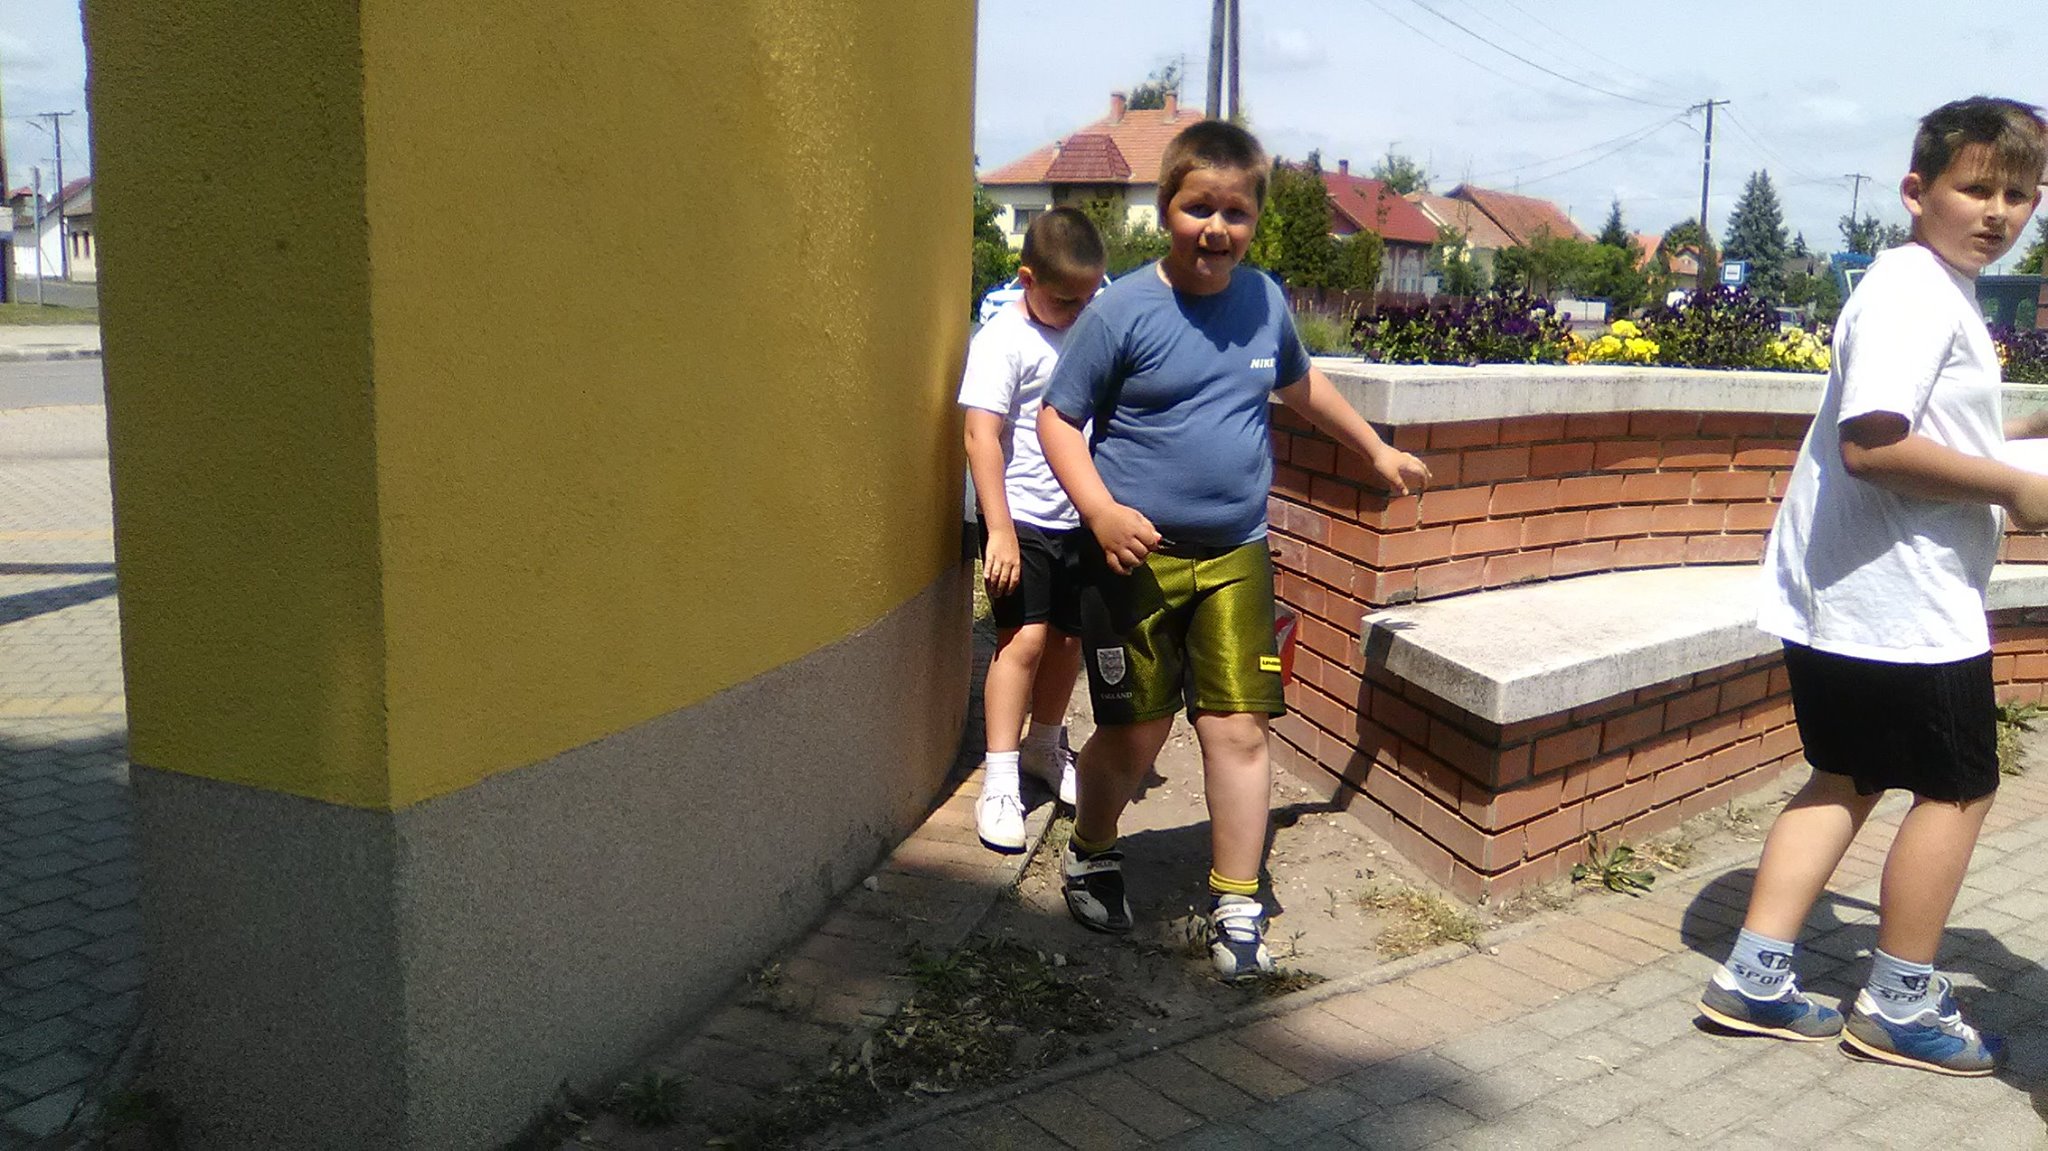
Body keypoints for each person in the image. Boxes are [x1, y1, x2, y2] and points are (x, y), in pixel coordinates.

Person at [1698, 96, 2048, 1075]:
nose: (1998, 212)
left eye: (2020, 194)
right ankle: (1899, 1000)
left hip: (1840, 595)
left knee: (1846, 774)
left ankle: (1754, 974)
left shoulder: (1921, 284)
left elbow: (1923, 423)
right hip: (1900, 605)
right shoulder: (1915, 294)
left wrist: (2022, 434)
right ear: (1915, 190)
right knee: (1959, 788)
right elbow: (1874, 444)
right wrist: (2019, 488)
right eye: (1975, 188)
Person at [1037, 120, 1428, 979]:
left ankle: (1238, 901)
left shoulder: (1265, 301)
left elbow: (1301, 381)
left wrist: (1375, 449)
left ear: (1254, 220)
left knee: (1239, 729)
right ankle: (1091, 851)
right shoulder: (1121, 310)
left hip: (1236, 554)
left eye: (1235, 213)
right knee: (1135, 732)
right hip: (1134, 559)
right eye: (1198, 208)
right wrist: (1099, 511)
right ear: (1166, 209)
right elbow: (1058, 418)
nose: (1216, 228)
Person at [959, 207, 1107, 851]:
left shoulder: (1085, 331)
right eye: (1065, 299)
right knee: (1024, 640)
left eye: (1088, 298)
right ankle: (999, 779)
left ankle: (1045, 747)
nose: (1078, 311)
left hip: (1080, 517)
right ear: (1027, 278)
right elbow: (980, 436)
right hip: (1020, 519)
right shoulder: (1003, 340)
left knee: (1069, 642)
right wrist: (998, 530)